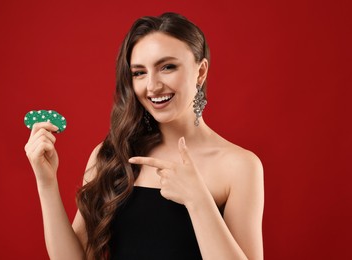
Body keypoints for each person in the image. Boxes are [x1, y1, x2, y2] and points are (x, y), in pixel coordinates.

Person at [24, 12, 264, 260]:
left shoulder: (240, 166)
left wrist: (198, 201)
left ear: (201, 71)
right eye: (139, 72)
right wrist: (47, 182)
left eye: (167, 67)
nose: (152, 86)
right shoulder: (111, 154)